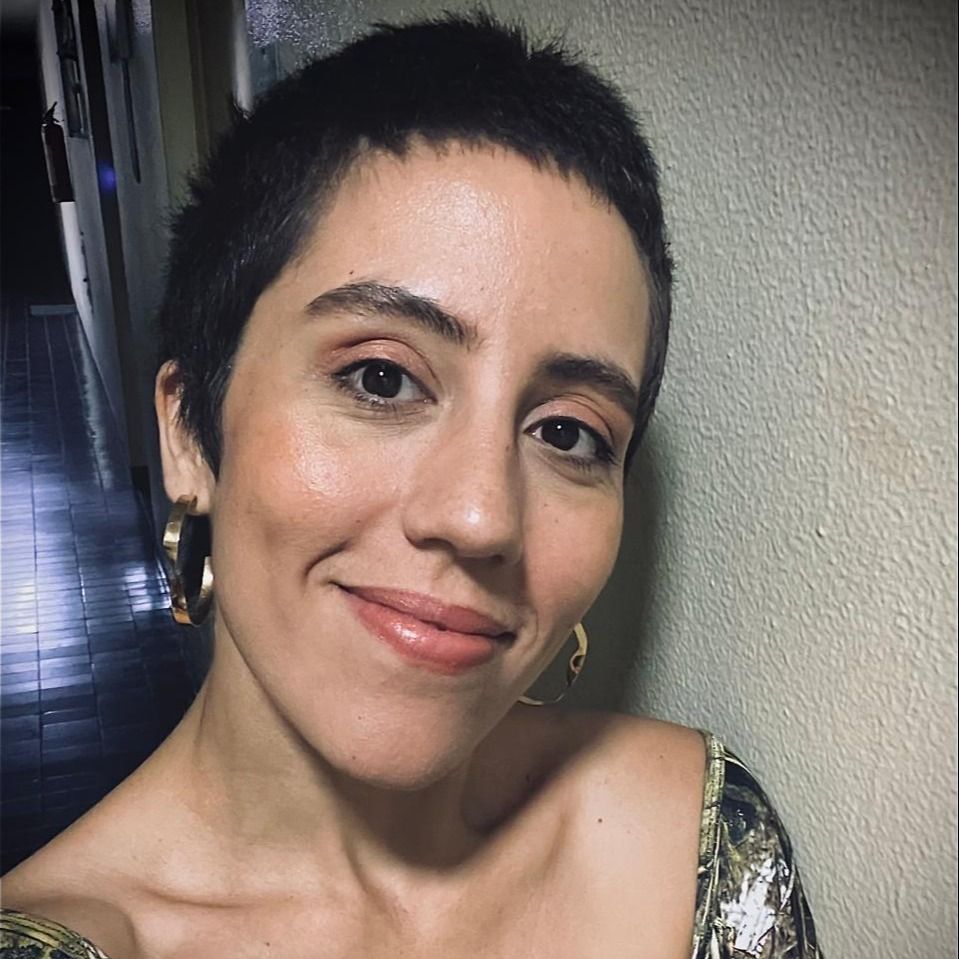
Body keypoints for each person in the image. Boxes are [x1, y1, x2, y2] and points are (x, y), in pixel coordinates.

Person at [1, 15, 821, 958]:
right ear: (189, 433)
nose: (480, 516)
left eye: (566, 433)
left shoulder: (700, 850)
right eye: (381, 378)